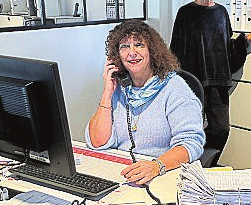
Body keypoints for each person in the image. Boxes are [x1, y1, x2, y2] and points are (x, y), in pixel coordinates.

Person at [86, 20, 205, 185]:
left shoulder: (175, 88)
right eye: (124, 47)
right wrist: (107, 93)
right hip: (121, 174)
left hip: (161, 174)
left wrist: (156, 166)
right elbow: (98, 142)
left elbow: (191, 143)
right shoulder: (118, 89)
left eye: (139, 45)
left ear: (152, 50)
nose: (132, 52)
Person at [170, 0, 251, 166]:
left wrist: (246, 39)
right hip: (191, 82)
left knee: (221, 129)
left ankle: (205, 166)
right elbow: (175, 49)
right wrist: (172, 80)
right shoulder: (185, 12)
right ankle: (187, 169)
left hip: (217, 80)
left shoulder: (221, 12)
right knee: (189, 130)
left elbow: (226, 46)